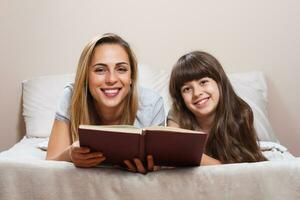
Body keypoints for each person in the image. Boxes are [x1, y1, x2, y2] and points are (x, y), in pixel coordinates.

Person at [46, 33, 165, 173]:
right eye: (100, 70)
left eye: (121, 69)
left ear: (131, 76)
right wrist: (70, 155)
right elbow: (52, 159)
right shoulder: (71, 96)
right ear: (86, 76)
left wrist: (153, 167)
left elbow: (159, 162)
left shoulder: (152, 103)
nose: (111, 79)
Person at [167, 51, 267, 165]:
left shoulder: (241, 112)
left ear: (219, 82)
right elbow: (177, 153)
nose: (196, 93)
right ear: (180, 98)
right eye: (187, 89)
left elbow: (246, 163)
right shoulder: (177, 115)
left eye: (203, 82)